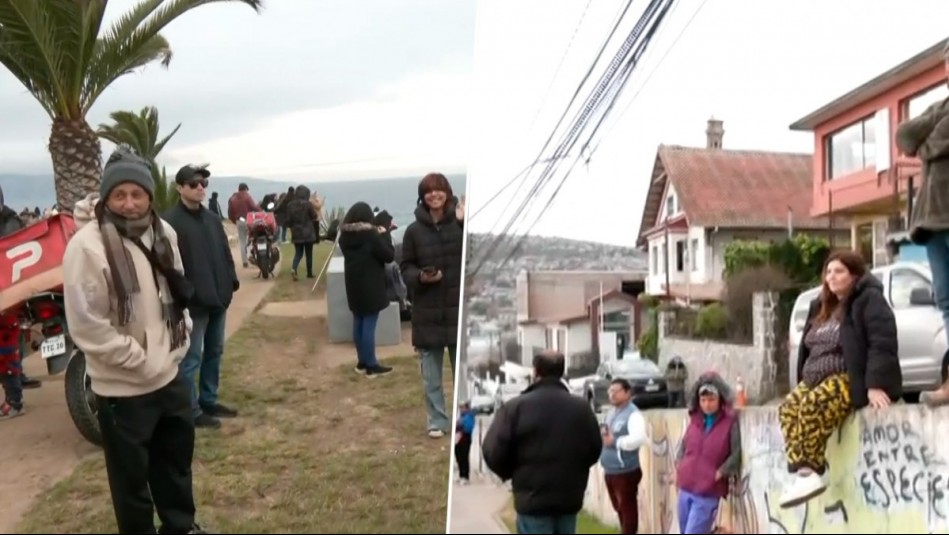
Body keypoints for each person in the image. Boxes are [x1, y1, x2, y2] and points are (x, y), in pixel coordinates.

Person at [62, 148, 204, 534]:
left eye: (136, 194)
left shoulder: (164, 233)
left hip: (169, 377)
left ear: (149, 196)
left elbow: (176, 290)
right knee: (131, 483)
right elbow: (87, 325)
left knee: (174, 465)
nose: (128, 203)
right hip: (123, 389)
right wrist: (139, 359)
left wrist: (182, 338)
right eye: (119, 194)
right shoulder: (86, 247)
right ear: (106, 197)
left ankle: (180, 527)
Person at [778, 250, 901, 509]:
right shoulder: (820, 306)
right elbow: (807, 349)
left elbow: (883, 341)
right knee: (789, 408)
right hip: (814, 376)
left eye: (839, 271)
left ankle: (811, 471)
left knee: (813, 404)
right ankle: (803, 474)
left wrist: (875, 384)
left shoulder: (869, 300)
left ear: (854, 275)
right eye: (828, 271)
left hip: (846, 375)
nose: (831, 277)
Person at [482, 350, 602, 535]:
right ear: (561, 372)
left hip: (532, 499)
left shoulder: (516, 408)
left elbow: (493, 450)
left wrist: (510, 472)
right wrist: (576, 468)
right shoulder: (581, 409)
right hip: (568, 497)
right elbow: (594, 448)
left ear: (535, 371)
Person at [163, 165, 241, 429]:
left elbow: (224, 252)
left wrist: (231, 281)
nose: (200, 188)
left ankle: (209, 399)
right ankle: (191, 409)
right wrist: (186, 292)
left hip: (219, 298)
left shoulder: (211, 219)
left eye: (203, 183)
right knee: (191, 358)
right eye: (194, 183)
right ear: (180, 187)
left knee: (214, 352)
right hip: (194, 305)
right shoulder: (170, 222)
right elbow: (168, 266)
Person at [895, 39, 949, 406]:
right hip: (932, 220)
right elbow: (904, 136)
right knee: (946, 301)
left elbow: (926, 145)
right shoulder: (940, 107)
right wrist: (933, 130)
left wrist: (928, 141)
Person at [399, 173, 465, 438]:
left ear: (447, 192)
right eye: (428, 191)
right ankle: (437, 420)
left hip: (457, 308)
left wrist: (465, 222)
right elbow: (405, 268)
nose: (434, 195)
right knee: (431, 376)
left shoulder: (461, 224)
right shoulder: (413, 231)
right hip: (427, 311)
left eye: (438, 190)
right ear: (422, 196)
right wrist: (421, 277)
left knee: (461, 373)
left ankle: (464, 420)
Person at [675, 372, 741, 534]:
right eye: (703, 400)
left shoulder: (729, 423)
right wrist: (680, 466)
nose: (707, 404)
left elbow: (736, 453)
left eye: (711, 400)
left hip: (707, 493)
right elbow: (684, 447)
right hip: (685, 489)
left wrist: (719, 473)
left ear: (720, 400)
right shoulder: (695, 422)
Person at [338, 201, 394, 377]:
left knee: (359, 322)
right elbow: (388, 255)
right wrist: (385, 235)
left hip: (353, 284)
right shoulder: (371, 235)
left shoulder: (344, 236)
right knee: (369, 324)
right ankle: (371, 365)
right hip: (371, 284)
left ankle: (362, 362)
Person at [599, 378, 646, 534]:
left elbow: (639, 438)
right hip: (610, 470)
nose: (612, 395)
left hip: (625, 470)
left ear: (627, 393)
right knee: (619, 509)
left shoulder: (633, 414)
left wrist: (616, 442)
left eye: (616, 391)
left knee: (627, 510)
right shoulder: (611, 413)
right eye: (610, 391)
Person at [286, 185, 319, 281]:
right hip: (308, 232)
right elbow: (314, 215)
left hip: (296, 232)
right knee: (309, 254)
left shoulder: (290, 205)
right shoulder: (307, 204)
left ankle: (294, 269)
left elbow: (288, 221)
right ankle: (309, 273)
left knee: (298, 253)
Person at [227, 183, 260, 268]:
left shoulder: (232, 198)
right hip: (248, 219)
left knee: (242, 241)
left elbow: (230, 212)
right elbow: (254, 207)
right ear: (245, 189)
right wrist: (261, 211)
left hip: (239, 221)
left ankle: (244, 261)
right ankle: (251, 257)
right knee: (251, 239)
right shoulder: (247, 196)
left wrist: (234, 221)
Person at [454, 400, 475, 485]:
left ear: (466, 408)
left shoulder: (469, 416)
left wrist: (460, 424)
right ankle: (461, 475)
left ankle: (465, 476)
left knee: (464, 457)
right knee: (458, 456)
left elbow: (468, 427)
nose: (461, 409)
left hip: (465, 439)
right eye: (460, 407)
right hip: (458, 439)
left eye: (462, 407)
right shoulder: (461, 416)